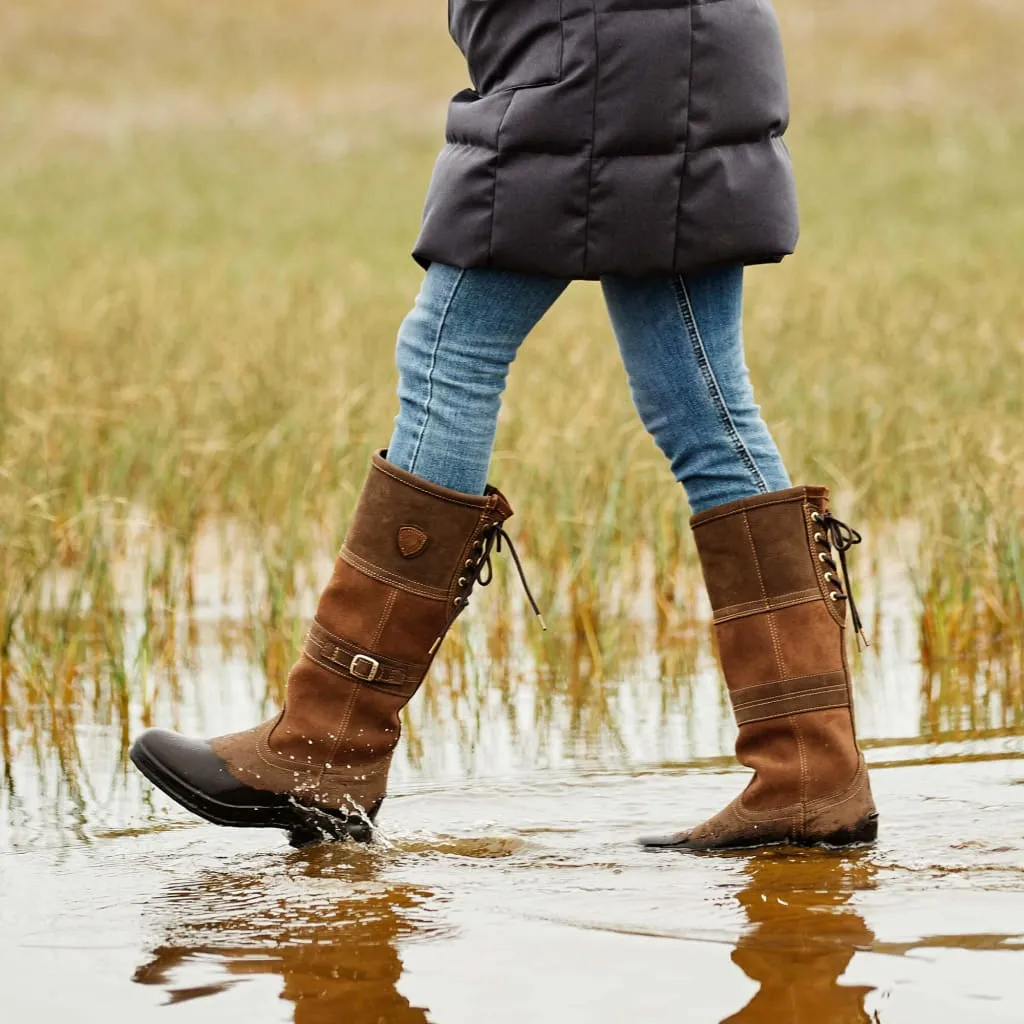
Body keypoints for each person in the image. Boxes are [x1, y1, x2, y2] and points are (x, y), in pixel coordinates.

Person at [130, 0, 877, 851]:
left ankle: (326, 741)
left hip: (601, 61)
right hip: (648, 57)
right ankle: (809, 772)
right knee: (698, 397)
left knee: (453, 351)